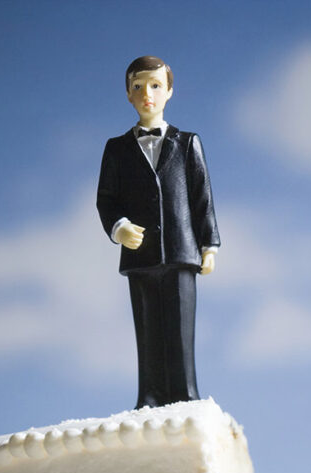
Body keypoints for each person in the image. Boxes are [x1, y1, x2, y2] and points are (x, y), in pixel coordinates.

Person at [96, 56, 220, 409]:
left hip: (182, 251)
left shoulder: (188, 143)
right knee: (147, 329)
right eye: (138, 87)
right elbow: (106, 199)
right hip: (141, 255)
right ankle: (149, 395)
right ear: (128, 94)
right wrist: (119, 227)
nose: (147, 94)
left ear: (169, 92)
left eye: (155, 86)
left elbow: (202, 198)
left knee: (181, 329)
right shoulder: (116, 149)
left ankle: (185, 393)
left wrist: (209, 244)